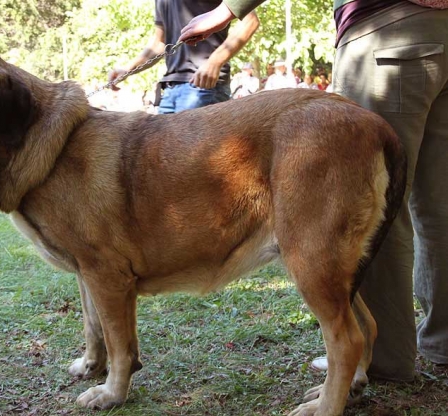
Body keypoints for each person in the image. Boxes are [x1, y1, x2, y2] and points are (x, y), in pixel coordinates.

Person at [179, 0, 448, 383]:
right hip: (441, 29)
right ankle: (443, 342)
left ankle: (380, 356)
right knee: (439, 207)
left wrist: (228, 9)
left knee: (378, 203)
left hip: (388, 29)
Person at [108, 1, 260, 114]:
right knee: (162, 156)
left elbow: (250, 21)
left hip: (204, 88)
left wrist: (215, 61)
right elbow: (159, 44)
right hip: (170, 90)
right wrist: (127, 70)